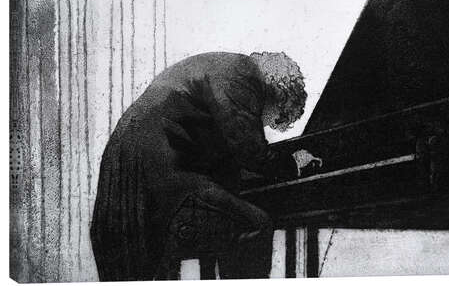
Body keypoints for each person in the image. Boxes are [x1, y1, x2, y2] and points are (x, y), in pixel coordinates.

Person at [90, 51, 307, 281]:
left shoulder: (223, 69)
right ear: (280, 94)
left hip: (132, 176)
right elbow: (251, 152)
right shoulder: (243, 76)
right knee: (254, 225)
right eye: (280, 117)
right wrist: (294, 163)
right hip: (158, 177)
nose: (271, 124)